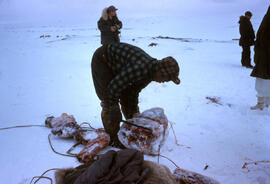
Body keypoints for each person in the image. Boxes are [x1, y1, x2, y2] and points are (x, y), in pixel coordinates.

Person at [91, 42, 180, 148]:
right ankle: (113, 138)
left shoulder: (150, 73)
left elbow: (131, 93)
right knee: (109, 101)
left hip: (119, 65)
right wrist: (114, 114)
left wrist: (135, 119)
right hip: (103, 59)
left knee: (128, 99)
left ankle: (128, 128)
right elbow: (113, 88)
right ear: (160, 72)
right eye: (167, 78)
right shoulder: (140, 68)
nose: (165, 81)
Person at [250, 6, 270, 110]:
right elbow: (261, 37)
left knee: (263, 81)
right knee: (262, 81)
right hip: (263, 55)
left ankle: (264, 103)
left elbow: (262, 38)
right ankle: (263, 103)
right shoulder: (266, 18)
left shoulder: (267, 19)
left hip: (265, 55)